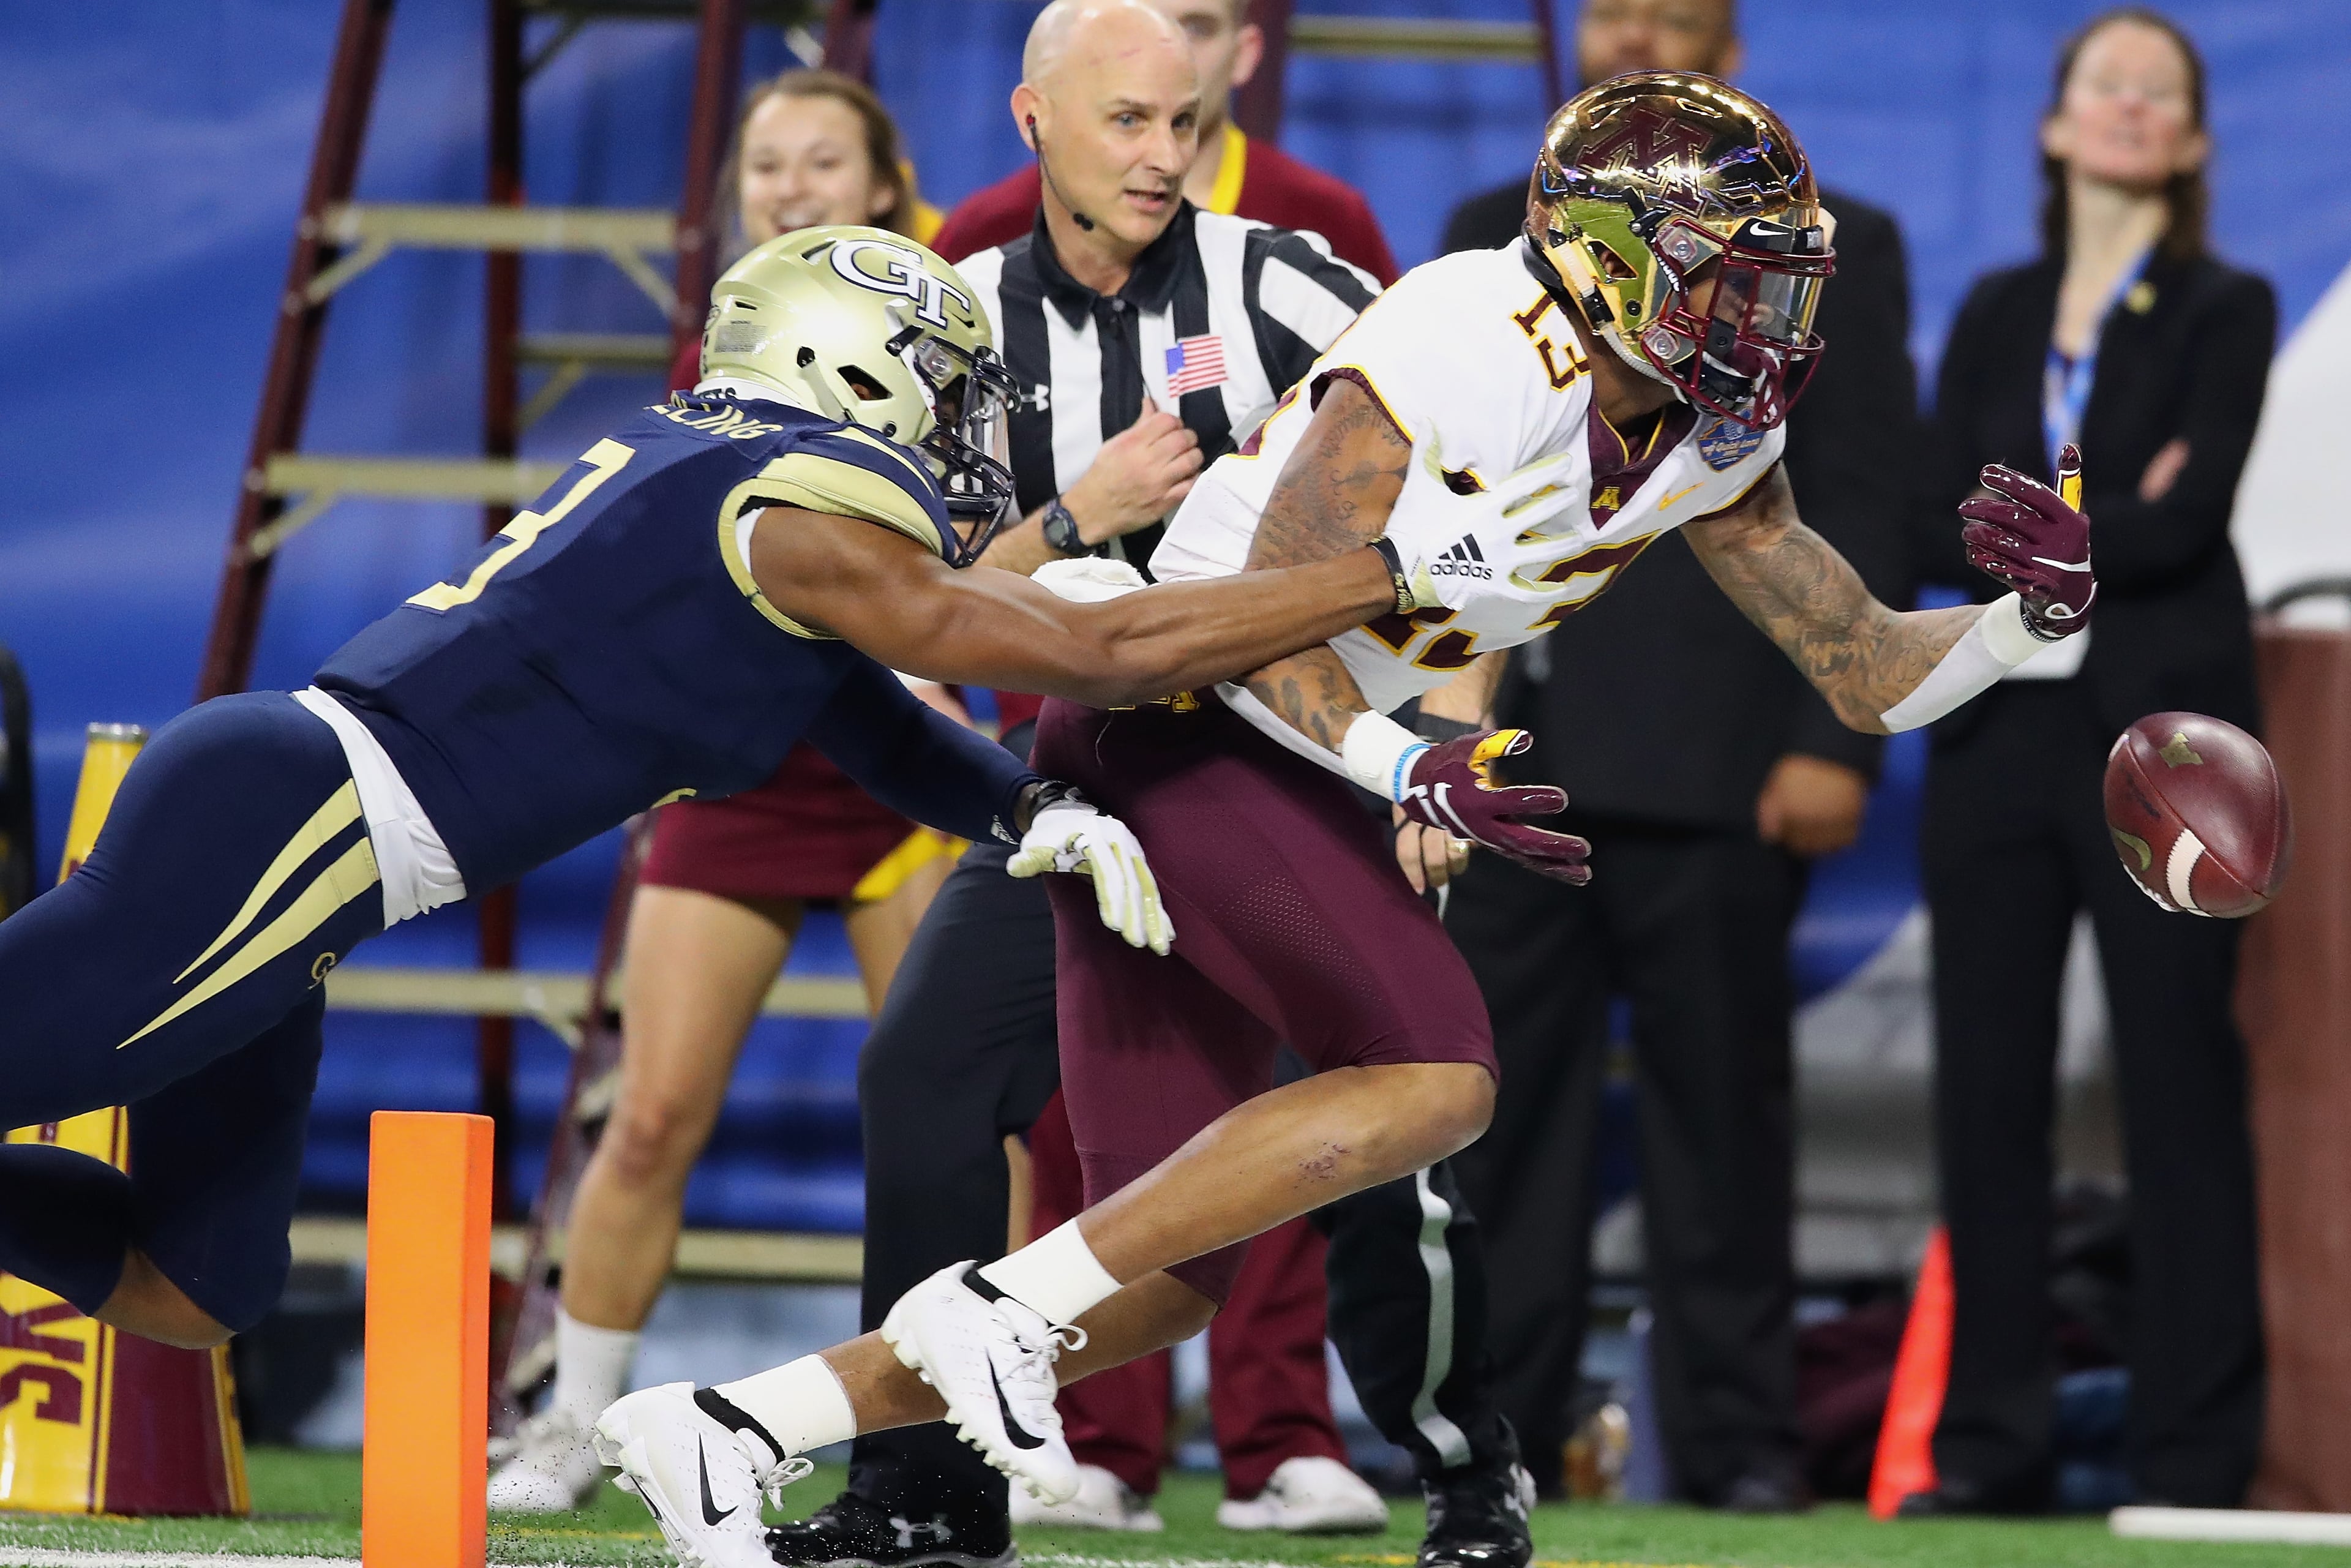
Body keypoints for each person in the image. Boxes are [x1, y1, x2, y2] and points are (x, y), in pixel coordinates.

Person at [599, 71, 2104, 1568]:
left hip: (1291, 756)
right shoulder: (1464, 339)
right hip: (1183, 714)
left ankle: (735, 1423)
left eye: (1778, 282)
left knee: (1166, 1277)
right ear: (1612, 252)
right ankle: (996, 1311)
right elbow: (1264, 614)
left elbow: (1851, 664)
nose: (1762, 321)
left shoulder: (1708, 433)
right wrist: (1401, 765)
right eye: (1732, 276)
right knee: (1438, 1075)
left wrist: (2017, 627)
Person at [0, 222, 1480, 1458]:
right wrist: (1377, 574)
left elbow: (859, 714)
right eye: (944, 386)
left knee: (192, 1284)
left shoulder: (731, 483)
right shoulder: (800, 501)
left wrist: (1031, 805)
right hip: (296, 823)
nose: (958, 425)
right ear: (850, 358)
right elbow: (1098, 651)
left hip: (311, 850)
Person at [774, 6, 1507, 1562]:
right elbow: (907, 593)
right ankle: (922, 1489)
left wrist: (1436, 754)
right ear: (1033, 119)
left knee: (1391, 1109)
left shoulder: (1292, 285)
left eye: (1183, 122)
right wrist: (1072, 511)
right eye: (1125, 123)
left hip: (1297, 774)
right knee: (922, 1078)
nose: (1164, 156)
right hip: (1087, 779)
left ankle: (1462, 1465)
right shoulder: (956, 317)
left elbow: (1465, 526)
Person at [1434, 0, 1917, 1508]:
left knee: (1724, 1129)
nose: (1645, 37)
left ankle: (1738, 1448)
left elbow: (1864, 485)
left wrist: (1829, 739)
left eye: (1681, 21)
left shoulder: (1842, 243)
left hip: (1724, 763)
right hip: (1512, 752)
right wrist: (1433, 736)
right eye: (1621, 14)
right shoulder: (1479, 225)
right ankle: (1490, 1447)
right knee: (1496, 1126)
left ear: (1730, 50)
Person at [488, 66, 988, 1517]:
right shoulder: (725, 343)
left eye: (820, 161)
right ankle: (573, 1425)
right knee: (648, 1113)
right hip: (748, 752)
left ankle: (965, 1433)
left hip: (907, 765)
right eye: (763, 166)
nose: (786, 186)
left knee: (950, 1121)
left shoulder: (952, 332)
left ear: (884, 188)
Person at [1902, 7, 2272, 1515]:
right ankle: (1988, 1448)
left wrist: (2066, 526)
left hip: (2160, 745)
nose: (2128, 107)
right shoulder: (1993, 305)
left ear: (2187, 141)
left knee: (2176, 1076)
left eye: (2159, 92)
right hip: (1995, 722)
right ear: (2053, 125)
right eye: (2103, 85)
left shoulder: (2220, 303)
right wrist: (2109, 511)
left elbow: (2191, 518)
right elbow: (1942, 505)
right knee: (1981, 1084)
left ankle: (2194, 1452)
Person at [930, 0, 1398, 285]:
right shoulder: (986, 229)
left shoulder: (1329, 222)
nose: (1167, 46)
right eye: (1140, 18)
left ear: (1246, 54)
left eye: (1197, 27)